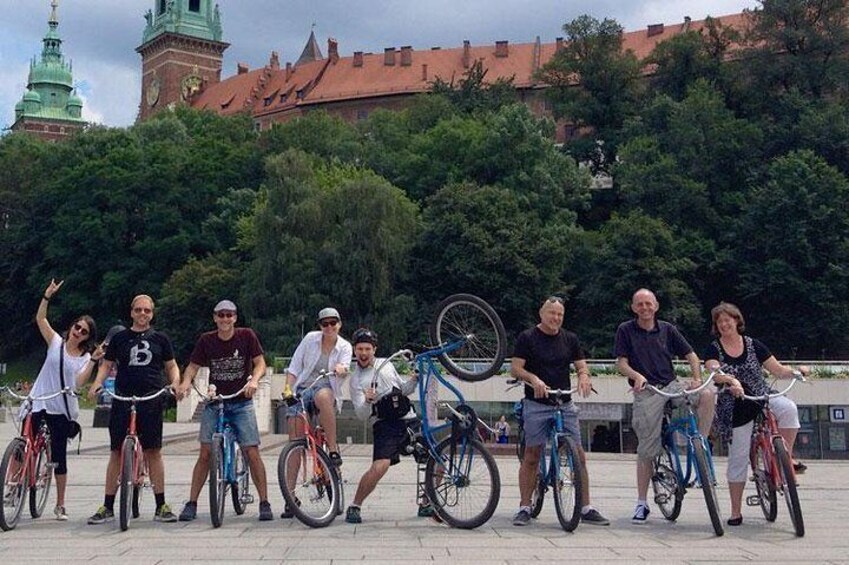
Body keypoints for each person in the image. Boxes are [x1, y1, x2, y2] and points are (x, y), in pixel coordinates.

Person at [703, 301, 808, 526]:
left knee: (789, 409)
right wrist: (730, 380)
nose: (724, 324)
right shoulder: (714, 348)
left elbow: (777, 370)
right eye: (720, 322)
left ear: (737, 321)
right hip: (736, 403)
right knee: (739, 456)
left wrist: (797, 371)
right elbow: (714, 371)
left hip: (761, 395)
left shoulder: (753, 345)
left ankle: (785, 458)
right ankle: (735, 511)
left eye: (728, 320)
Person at [615, 288, 714, 524]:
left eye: (648, 304)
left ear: (656, 306)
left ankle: (701, 444)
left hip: (670, 385)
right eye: (640, 304)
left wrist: (697, 378)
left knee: (708, 394)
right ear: (633, 307)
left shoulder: (667, 329)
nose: (645, 308)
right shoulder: (626, 330)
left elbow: (690, 354)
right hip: (647, 390)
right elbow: (621, 363)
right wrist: (636, 376)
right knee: (647, 448)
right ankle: (642, 502)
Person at [511, 296, 609, 526]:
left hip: (563, 401)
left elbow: (581, 365)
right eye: (552, 313)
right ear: (541, 314)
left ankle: (585, 507)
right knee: (532, 455)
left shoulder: (570, 338)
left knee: (579, 456)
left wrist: (584, 377)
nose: (556, 318)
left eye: (560, 315)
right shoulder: (527, 337)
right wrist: (533, 379)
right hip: (537, 403)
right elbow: (516, 368)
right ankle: (525, 506)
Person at [86, 294, 181, 524]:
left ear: (152, 313)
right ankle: (107, 505)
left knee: (153, 451)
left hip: (151, 398)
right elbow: (107, 365)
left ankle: (161, 505)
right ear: (131, 312)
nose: (142, 314)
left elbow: (172, 366)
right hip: (123, 397)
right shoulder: (119, 338)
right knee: (116, 451)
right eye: (138, 310)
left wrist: (175, 384)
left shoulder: (161, 339)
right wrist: (97, 383)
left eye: (147, 311)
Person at [176, 300, 274, 522]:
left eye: (229, 315)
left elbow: (260, 363)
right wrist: (184, 383)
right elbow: (192, 367)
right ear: (214, 317)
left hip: (241, 400)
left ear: (235, 318)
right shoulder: (206, 340)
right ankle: (191, 502)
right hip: (216, 401)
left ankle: (264, 501)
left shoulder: (246, 336)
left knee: (251, 450)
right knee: (205, 452)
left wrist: (255, 381)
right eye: (221, 315)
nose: (225, 319)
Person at [31, 279, 103, 520]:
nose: (78, 332)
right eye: (77, 327)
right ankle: (13, 482)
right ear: (71, 327)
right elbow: (41, 320)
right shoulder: (56, 342)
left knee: (58, 456)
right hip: (39, 400)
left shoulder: (83, 357)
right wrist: (47, 296)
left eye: (84, 331)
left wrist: (93, 360)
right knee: (25, 443)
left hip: (61, 409)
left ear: (87, 337)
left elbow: (79, 383)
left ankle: (60, 504)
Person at [280, 306, 351, 518]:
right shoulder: (310, 339)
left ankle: (331, 447)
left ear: (339, 324)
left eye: (333, 323)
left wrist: (341, 369)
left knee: (322, 397)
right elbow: (293, 368)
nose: (329, 327)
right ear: (320, 326)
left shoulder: (344, 347)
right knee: (295, 442)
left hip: (325, 388)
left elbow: (345, 368)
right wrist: (287, 389)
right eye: (325, 324)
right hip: (303, 389)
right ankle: (290, 497)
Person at [344, 328, 419, 524]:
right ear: (354, 350)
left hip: (407, 417)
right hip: (384, 424)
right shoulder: (356, 381)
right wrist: (368, 400)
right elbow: (361, 415)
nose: (363, 353)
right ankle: (355, 505)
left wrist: (414, 380)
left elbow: (403, 390)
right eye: (359, 348)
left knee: (434, 455)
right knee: (381, 465)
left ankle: (428, 502)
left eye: (367, 348)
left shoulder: (386, 365)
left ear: (374, 349)